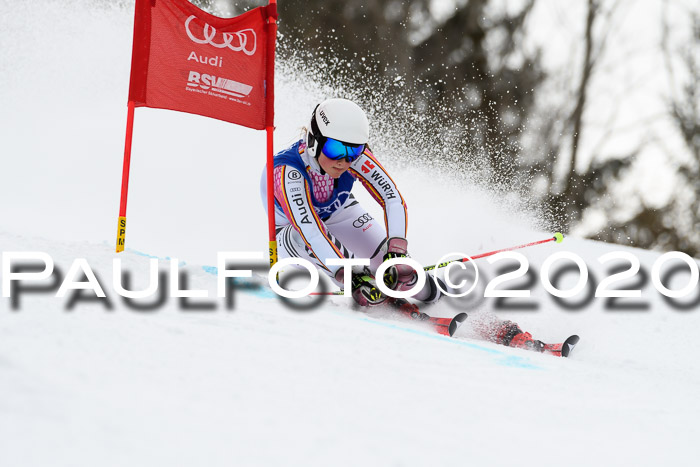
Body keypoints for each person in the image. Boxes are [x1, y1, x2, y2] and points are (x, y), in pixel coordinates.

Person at [259, 98, 442, 309]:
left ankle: (444, 299)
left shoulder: (355, 158)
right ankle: (362, 281)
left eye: (353, 151)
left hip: (340, 213)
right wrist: (349, 274)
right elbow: (310, 230)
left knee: (403, 272)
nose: (344, 161)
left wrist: (396, 252)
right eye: (335, 149)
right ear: (313, 141)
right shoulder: (287, 172)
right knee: (310, 242)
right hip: (294, 235)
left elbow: (391, 198)